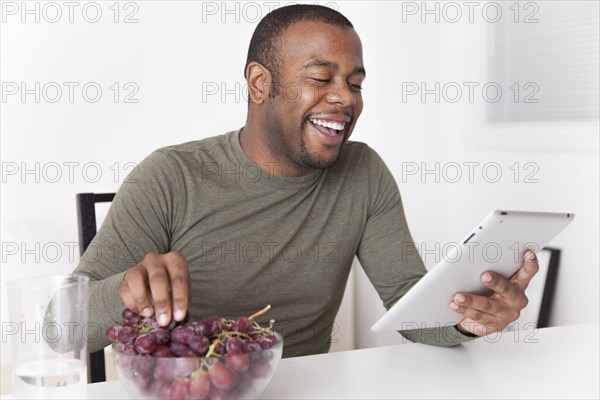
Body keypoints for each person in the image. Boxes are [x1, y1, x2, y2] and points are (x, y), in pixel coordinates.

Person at [75, 4, 537, 357]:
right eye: (321, 78)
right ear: (260, 83)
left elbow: (412, 313)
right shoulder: (170, 177)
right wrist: (125, 291)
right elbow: (61, 330)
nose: (344, 99)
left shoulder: (364, 173)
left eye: (355, 84)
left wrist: (469, 320)